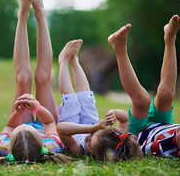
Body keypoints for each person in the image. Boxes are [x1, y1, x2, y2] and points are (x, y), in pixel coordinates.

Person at [0, 0, 70, 164]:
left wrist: (19, 115)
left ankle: (22, 16)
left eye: (23, 129)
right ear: (40, 141)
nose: (27, 126)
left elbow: (11, 126)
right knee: (43, 78)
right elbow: (50, 123)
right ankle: (40, 13)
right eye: (29, 129)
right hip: (46, 123)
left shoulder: (2, 145)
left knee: (23, 78)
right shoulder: (51, 146)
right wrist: (36, 107)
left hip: (17, 124)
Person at [108, 15, 180, 158]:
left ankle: (119, 48)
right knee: (166, 95)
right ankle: (170, 37)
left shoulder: (162, 149)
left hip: (139, 132)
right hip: (164, 123)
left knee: (142, 100)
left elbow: (137, 150)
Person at [56, 39, 140, 161]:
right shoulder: (116, 141)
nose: (87, 139)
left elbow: (61, 128)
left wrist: (91, 130)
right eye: (94, 136)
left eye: (90, 144)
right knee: (85, 94)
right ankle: (74, 60)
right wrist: (114, 113)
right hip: (92, 121)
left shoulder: (80, 150)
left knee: (71, 99)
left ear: (95, 155)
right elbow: (125, 118)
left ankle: (63, 59)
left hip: (73, 128)